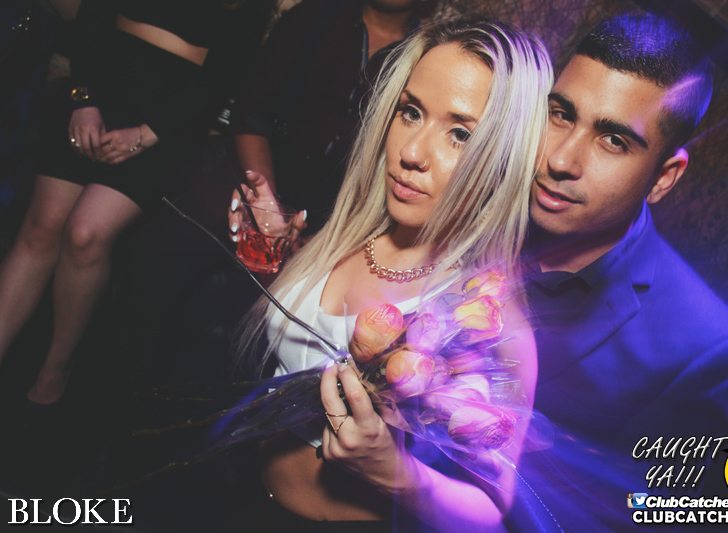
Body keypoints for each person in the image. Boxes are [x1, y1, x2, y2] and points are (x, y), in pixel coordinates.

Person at [228, 17, 552, 531]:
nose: (411, 152)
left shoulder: (483, 320)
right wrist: (268, 251)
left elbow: (490, 513)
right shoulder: (349, 235)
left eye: (460, 134)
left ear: (504, 159)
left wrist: (393, 471)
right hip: (240, 492)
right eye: (411, 111)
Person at [510, 13, 728, 530]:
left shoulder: (704, 347)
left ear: (664, 177)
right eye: (560, 114)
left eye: (614, 140)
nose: (561, 159)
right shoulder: (476, 201)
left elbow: (633, 517)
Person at [0, 0, 270, 405]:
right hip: (99, 93)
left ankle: (56, 368)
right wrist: (83, 98)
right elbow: (93, 16)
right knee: (41, 227)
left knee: (84, 233)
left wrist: (149, 132)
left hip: (170, 122)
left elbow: (226, 73)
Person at [230, 0, 432, 235]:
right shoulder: (313, 16)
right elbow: (250, 111)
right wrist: (267, 204)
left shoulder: (425, 55)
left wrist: (337, 238)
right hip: (270, 177)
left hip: (347, 218)